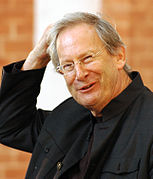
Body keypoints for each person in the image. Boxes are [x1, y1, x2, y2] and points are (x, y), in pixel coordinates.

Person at [0, 12, 153, 179]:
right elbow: (9, 126)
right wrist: (36, 58)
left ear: (119, 56)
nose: (79, 74)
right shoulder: (66, 116)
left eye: (87, 58)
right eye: (68, 65)